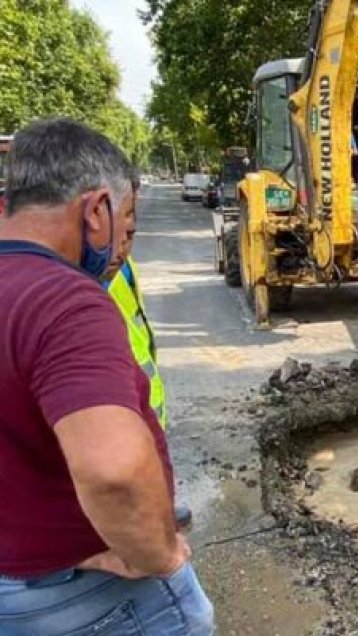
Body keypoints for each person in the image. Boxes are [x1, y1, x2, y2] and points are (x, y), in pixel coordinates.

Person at [0, 118, 213, 634]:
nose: (123, 252)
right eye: (129, 228)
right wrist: (158, 553)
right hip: (73, 591)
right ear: (97, 211)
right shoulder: (64, 300)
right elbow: (113, 472)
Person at [103, 188, 168, 429]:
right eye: (110, 236)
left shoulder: (126, 268)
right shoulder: (73, 292)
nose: (118, 249)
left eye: (129, 235)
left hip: (147, 424)